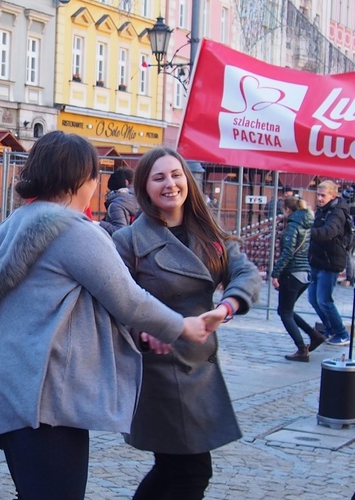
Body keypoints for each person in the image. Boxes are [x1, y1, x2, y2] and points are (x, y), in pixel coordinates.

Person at [0, 132, 213, 499]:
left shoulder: (14, 224)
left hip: (4, 386)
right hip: (42, 394)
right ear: (82, 178)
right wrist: (182, 326)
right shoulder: (71, 230)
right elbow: (129, 300)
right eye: (94, 176)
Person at [110, 146, 261, 500]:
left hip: (201, 368)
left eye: (176, 175)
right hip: (160, 373)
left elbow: (246, 272)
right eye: (158, 177)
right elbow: (115, 304)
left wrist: (226, 307)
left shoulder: (207, 231)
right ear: (144, 187)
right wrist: (145, 332)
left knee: (175, 470)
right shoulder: (128, 241)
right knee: (191, 472)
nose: (170, 184)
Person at [271, 196, 326, 362]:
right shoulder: (307, 224)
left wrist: (275, 273)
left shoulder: (292, 226)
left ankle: (302, 349)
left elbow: (287, 252)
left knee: (285, 313)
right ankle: (314, 335)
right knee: (286, 310)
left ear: (288, 209)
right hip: (304, 273)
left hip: (292, 273)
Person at [308, 180, 351, 346]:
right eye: (318, 194)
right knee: (313, 299)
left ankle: (340, 332)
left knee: (324, 300)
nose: (319, 198)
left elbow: (328, 232)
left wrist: (307, 231)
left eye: (323, 195)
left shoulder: (337, 213)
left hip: (330, 261)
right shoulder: (323, 210)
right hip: (318, 261)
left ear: (333, 195)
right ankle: (330, 328)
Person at [100, 167, 138, 235]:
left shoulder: (116, 204)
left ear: (126, 182)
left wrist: (100, 224)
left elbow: (121, 231)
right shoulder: (143, 200)